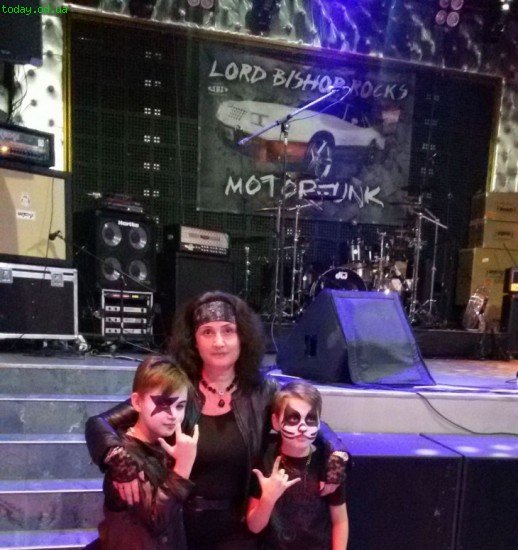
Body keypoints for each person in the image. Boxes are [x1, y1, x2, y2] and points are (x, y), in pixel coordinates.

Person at [85, 291, 348, 549]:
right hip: (178, 526)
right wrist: (115, 456)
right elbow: (100, 423)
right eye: (207, 332)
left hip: (239, 529)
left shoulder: (262, 392)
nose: (219, 342)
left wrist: (336, 451)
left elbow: (308, 421)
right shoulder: (178, 389)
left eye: (228, 331)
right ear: (194, 341)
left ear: (242, 337)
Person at [97, 355, 199, 550]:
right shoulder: (124, 459)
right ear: (137, 402)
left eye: (180, 406)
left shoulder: (162, 442)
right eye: (163, 404)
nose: (173, 415)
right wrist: (183, 467)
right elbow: (156, 520)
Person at [247, 381, 349, 549]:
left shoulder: (328, 464)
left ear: (319, 422)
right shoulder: (265, 459)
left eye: (310, 419)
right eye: (293, 418)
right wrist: (268, 499)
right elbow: (254, 527)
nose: (302, 427)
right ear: (276, 421)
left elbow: (340, 521)